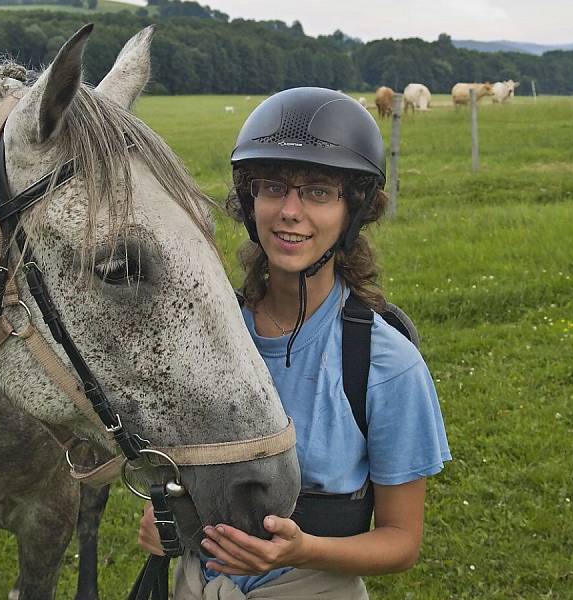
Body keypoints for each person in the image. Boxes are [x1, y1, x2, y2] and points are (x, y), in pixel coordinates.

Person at [138, 87, 451, 599]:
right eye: (274, 187)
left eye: (318, 192)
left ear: (354, 211)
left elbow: (401, 542)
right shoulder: (207, 338)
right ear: (249, 200)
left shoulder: (385, 364)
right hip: (194, 586)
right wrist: (168, 515)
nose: (289, 210)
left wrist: (302, 549)